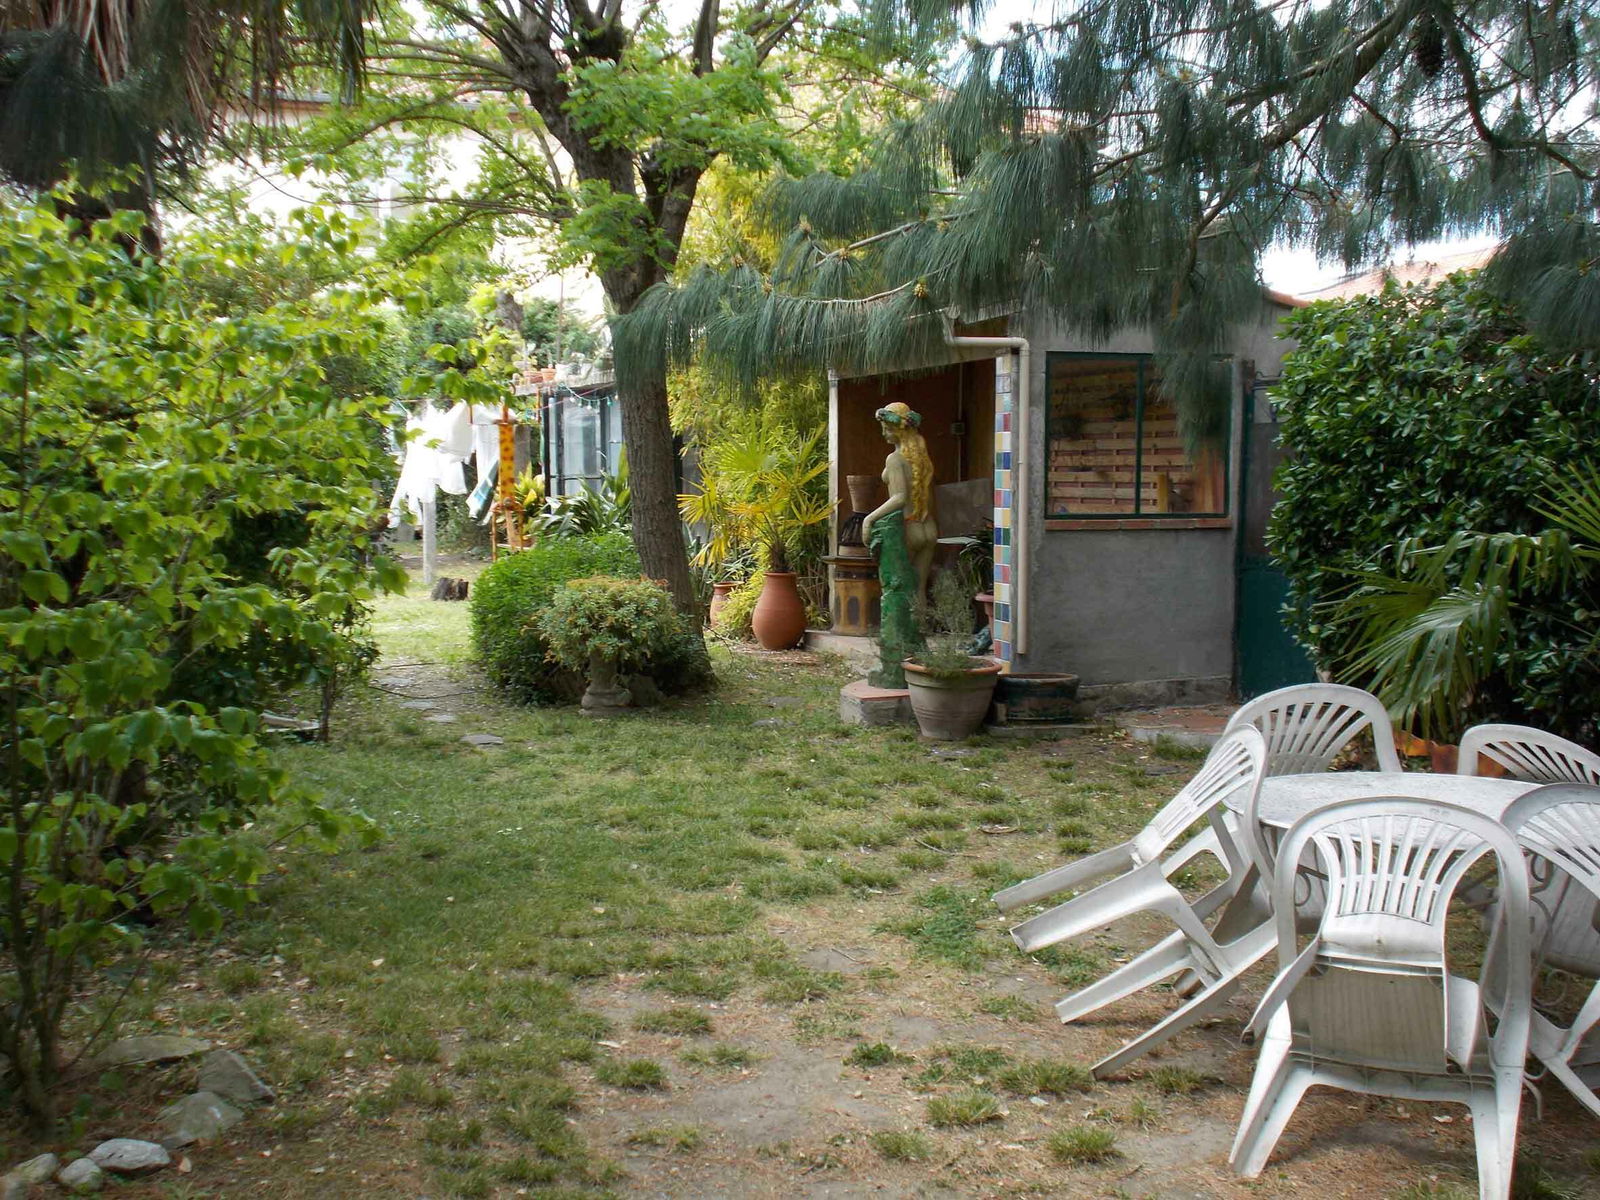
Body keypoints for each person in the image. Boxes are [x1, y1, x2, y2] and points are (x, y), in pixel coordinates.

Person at [862, 402, 937, 688]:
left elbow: (900, 498)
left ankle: (894, 665)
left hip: (906, 529)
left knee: (894, 592)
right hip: (927, 528)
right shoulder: (920, 455)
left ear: (896, 429)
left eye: (885, 428)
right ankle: (919, 652)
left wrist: (869, 519)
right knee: (917, 593)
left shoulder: (895, 459)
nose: (883, 434)